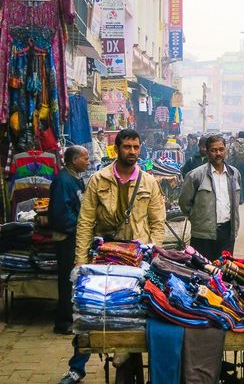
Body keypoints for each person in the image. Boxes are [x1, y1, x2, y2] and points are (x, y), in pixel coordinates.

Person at [59, 129, 166, 384]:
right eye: (127, 146)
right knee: (90, 309)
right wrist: (80, 261)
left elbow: (157, 224)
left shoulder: (149, 182)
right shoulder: (98, 179)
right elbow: (85, 222)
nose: (132, 151)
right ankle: (77, 367)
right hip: (104, 254)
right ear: (116, 149)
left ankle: (129, 351)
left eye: (136, 147)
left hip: (136, 257)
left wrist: (150, 255)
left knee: (138, 308)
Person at [48, 146, 90, 336]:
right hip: (67, 237)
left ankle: (72, 317)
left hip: (75, 235)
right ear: (74, 160)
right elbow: (60, 213)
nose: (88, 161)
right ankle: (63, 321)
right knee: (67, 279)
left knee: (74, 278)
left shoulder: (75, 178)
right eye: (85, 158)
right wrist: (79, 228)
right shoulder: (63, 181)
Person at [179, 135, 241, 261]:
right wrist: (197, 218)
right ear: (207, 152)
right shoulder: (195, 176)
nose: (218, 153)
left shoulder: (234, 174)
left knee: (224, 272)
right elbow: (184, 203)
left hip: (227, 233)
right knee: (203, 273)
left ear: (226, 150)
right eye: (213, 150)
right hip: (203, 235)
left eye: (221, 149)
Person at [228, 131, 244, 204]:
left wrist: (230, 165)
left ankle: (237, 198)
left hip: (236, 165)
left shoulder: (233, 144)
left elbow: (231, 155)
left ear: (238, 136)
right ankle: (243, 198)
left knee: (236, 181)